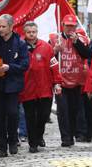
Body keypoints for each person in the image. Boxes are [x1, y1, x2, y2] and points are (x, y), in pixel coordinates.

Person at [0, 14, 29, 158]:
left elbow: (24, 64)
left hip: (13, 85)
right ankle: (2, 146)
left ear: (11, 26)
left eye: (3, 26)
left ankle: (13, 140)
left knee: (13, 113)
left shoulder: (19, 43)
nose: (0, 29)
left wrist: (10, 67)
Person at [20, 21, 61, 153]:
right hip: (28, 89)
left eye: (34, 32)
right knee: (30, 117)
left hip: (44, 89)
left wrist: (57, 83)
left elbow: (54, 66)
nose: (32, 35)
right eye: (29, 32)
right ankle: (33, 143)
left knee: (43, 116)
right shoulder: (20, 46)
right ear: (24, 33)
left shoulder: (46, 47)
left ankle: (39, 136)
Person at [53, 14, 90, 147]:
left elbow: (87, 54)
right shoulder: (55, 38)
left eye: (72, 26)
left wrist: (76, 42)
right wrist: (55, 50)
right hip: (61, 81)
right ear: (62, 25)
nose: (70, 29)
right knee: (63, 111)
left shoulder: (82, 39)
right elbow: (49, 58)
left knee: (74, 110)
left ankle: (73, 133)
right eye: (67, 26)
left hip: (77, 81)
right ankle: (66, 138)